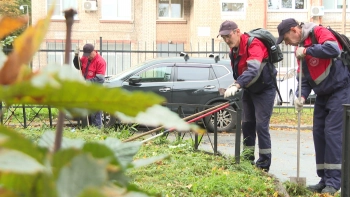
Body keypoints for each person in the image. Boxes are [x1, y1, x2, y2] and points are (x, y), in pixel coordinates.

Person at [276, 18, 350, 194]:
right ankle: (324, 179)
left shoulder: (318, 32)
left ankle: (334, 181)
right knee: (318, 132)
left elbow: (333, 49)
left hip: (340, 90)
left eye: (286, 39)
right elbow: (304, 78)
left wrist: (308, 50)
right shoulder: (299, 50)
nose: (286, 43)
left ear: (295, 30)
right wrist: (300, 96)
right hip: (323, 94)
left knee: (332, 133)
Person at [218, 20, 277, 172]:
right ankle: (247, 158)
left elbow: (253, 70)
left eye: (228, 36)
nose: (226, 40)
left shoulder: (254, 44)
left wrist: (238, 85)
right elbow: (239, 72)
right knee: (247, 124)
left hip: (265, 89)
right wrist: (234, 84)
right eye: (223, 37)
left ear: (237, 31)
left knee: (261, 125)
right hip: (249, 89)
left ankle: (263, 165)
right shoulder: (234, 51)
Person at [73, 43, 106, 129]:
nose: (87, 58)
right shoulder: (85, 58)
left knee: (95, 112)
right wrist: (76, 57)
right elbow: (78, 66)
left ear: (93, 52)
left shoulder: (100, 61)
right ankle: (88, 131)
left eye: (89, 55)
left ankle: (97, 132)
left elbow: (100, 79)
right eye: (86, 56)